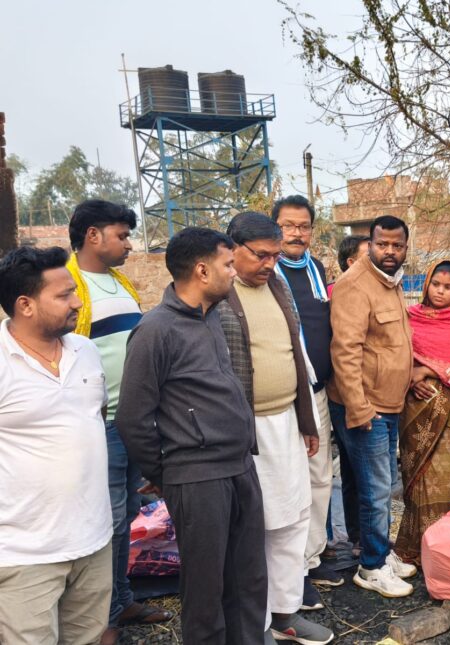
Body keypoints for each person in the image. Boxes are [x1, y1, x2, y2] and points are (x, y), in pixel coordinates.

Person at [117, 227, 268, 645]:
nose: (234, 272)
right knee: (206, 591)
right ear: (202, 270)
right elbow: (132, 417)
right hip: (197, 477)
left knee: (249, 579)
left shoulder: (214, 316)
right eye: (228, 264)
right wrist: (167, 473)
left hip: (239, 467)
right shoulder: (155, 330)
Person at [217, 213, 333, 645]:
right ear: (233, 250)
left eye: (274, 255)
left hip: (286, 421)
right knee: (254, 528)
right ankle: (256, 623)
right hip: (246, 430)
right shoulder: (219, 295)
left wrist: (306, 419)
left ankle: (286, 612)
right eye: (261, 255)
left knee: (293, 518)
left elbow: (295, 356)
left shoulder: (278, 287)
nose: (270, 263)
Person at [66, 199, 172, 644]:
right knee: (107, 520)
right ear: (93, 235)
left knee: (126, 513)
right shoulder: (70, 287)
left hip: (131, 421)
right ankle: (101, 618)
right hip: (101, 424)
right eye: (122, 235)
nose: (129, 244)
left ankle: (121, 600)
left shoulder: (119, 282)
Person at [0, 246, 112, 644]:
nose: (77, 302)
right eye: (64, 295)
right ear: (25, 305)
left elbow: (95, 417)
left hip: (94, 541)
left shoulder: (86, 351)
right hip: (24, 553)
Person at [328, 214, 417, 597]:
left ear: (406, 247)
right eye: (383, 244)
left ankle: (378, 551)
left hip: (388, 400)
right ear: (371, 244)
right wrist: (358, 407)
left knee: (370, 483)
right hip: (367, 404)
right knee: (377, 488)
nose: (390, 251)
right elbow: (345, 351)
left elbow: (390, 342)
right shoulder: (355, 284)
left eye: (397, 245)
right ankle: (372, 566)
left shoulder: (390, 281)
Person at [272, 195, 342, 606]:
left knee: (320, 476)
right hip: (284, 395)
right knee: (289, 480)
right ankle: (290, 569)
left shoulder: (315, 268)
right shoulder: (267, 271)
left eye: (303, 226)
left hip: (318, 391)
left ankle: (312, 558)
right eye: (288, 225)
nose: (296, 233)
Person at [394, 260, 450, 562]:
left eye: (448, 287)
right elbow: (396, 354)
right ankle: (414, 548)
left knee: (448, 478)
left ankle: (445, 552)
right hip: (415, 411)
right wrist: (411, 377)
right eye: (435, 285)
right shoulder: (410, 317)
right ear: (426, 284)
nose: (440, 291)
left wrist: (426, 370)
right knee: (418, 480)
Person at [325, 234, 372, 555]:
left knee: (360, 471)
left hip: (368, 393)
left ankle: (363, 537)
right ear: (352, 262)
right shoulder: (337, 294)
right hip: (346, 395)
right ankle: (361, 539)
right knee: (359, 471)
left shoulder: (376, 290)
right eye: (369, 254)